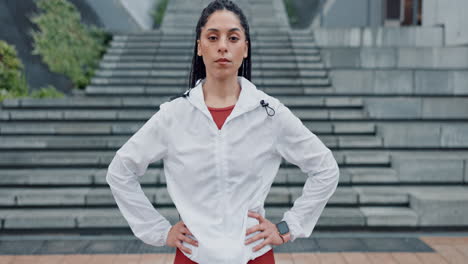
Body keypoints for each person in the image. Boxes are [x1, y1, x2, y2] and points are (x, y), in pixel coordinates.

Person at [105, 0, 340, 263]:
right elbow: (120, 170)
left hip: (254, 255)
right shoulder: (174, 115)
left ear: (245, 48)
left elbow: (325, 168)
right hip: (193, 256)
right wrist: (159, 231)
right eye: (213, 37)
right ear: (199, 46)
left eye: (233, 37)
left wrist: (287, 228)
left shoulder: (269, 113)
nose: (223, 47)